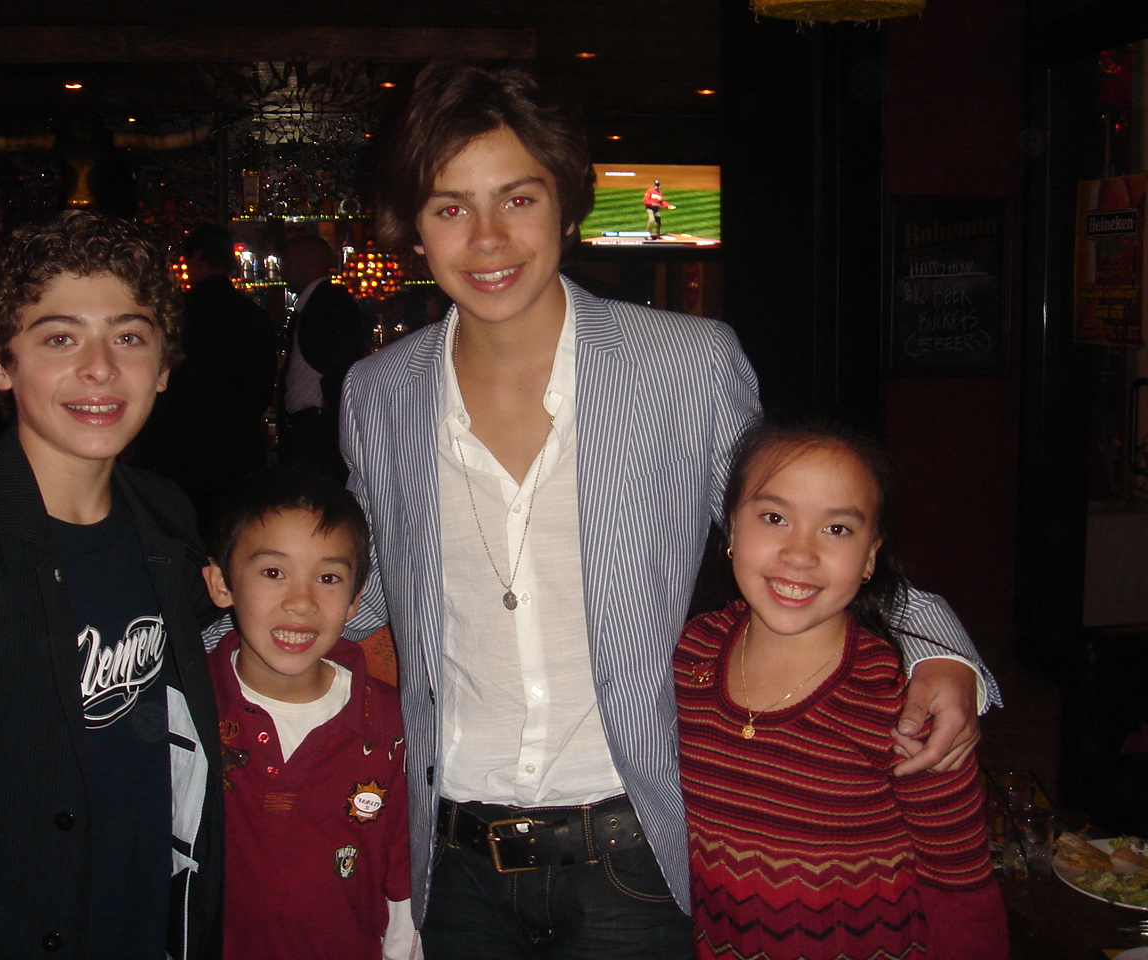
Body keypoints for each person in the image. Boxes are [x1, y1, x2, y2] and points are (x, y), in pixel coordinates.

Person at [340, 60, 997, 957]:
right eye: (451, 207)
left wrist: (940, 645)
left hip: (634, 853)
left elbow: (792, 523)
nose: (488, 238)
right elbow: (364, 583)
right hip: (457, 862)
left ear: (566, 209)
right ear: (414, 227)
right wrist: (209, 649)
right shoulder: (378, 394)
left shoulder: (682, 365)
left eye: (518, 200)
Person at [0, 210, 223, 959]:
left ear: (163, 365)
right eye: (60, 338)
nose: (100, 368)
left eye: (129, 336)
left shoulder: (166, 517)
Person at [674, 414, 1007, 960]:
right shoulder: (691, 654)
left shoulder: (905, 707)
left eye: (837, 529)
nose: (800, 554)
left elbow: (960, 883)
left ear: (871, 554)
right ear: (732, 528)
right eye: (774, 516)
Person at [203, 466, 418, 960]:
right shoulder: (187, 708)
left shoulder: (390, 725)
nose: (301, 602)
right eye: (273, 572)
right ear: (221, 583)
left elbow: (403, 883)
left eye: (327, 577)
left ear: (356, 599)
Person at [139, 222, 275, 519]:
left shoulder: (179, 315)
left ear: (198, 258)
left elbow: (163, 387)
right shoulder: (254, 316)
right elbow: (264, 388)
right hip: (240, 448)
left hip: (185, 450)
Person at [277, 234, 372, 479]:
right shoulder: (322, 301)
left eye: (286, 261)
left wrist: (331, 410)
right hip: (314, 426)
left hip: (318, 429)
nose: (281, 269)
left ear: (306, 262)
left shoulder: (327, 303)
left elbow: (341, 363)